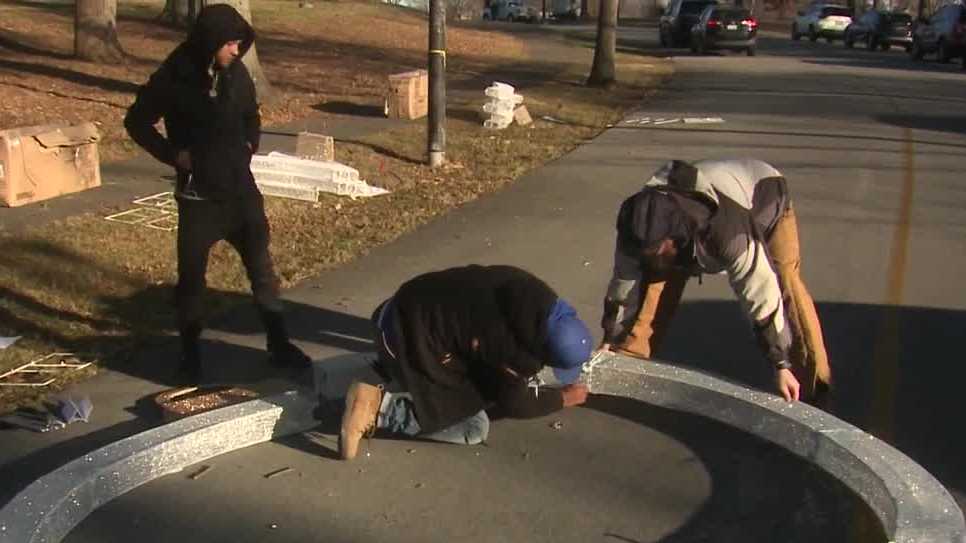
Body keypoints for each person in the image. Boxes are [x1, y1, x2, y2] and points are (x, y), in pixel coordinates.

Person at [124, 4, 308, 381]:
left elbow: (251, 115)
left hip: (241, 192)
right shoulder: (174, 76)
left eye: (240, 44)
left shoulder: (237, 73)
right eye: (229, 44)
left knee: (262, 270)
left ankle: (279, 343)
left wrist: (248, 146)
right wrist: (174, 156)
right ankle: (190, 356)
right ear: (210, 42)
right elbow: (137, 121)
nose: (236, 51)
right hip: (199, 198)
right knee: (192, 281)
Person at [600, 159, 831, 403]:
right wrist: (610, 338)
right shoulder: (636, 227)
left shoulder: (729, 232)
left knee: (785, 284)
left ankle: (811, 386)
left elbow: (760, 291)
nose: (647, 256)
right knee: (653, 280)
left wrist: (780, 364)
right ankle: (625, 366)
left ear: (673, 238)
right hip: (693, 223)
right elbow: (624, 284)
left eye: (654, 250)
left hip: (765, 199)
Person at [339, 265, 593, 460]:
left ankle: (391, 372)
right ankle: (377, 410)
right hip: (399, 340)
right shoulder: (508, 349)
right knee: (475, 425)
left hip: (394, 308)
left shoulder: (527, 288)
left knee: (470, 358)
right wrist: (561, 399)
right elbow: (515, 403)